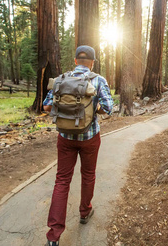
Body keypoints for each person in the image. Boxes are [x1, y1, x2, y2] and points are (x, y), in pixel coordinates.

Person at [43, 45, 114, 246]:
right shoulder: (98, 80)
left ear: (75, 61)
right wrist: (95, 106)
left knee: (62, 180)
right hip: (90, 137)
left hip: (65, 137)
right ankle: (84, 212)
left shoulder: (60, 79)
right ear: (92, 63)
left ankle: (53, 235)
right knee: (88, 174)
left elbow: (47, 106)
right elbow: (109, 108)